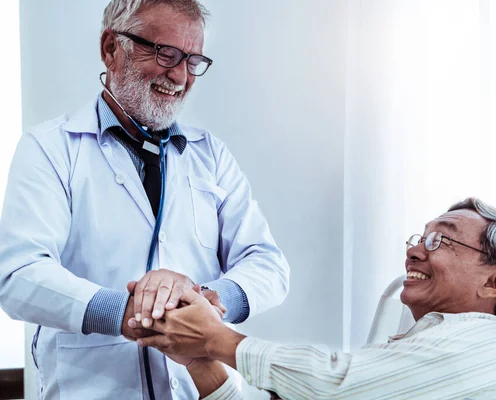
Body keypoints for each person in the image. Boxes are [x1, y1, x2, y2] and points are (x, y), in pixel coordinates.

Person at [0, 0, 289, 399]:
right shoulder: (49, 149)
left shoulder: (212, 156)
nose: (180, 75)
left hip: (201, 390)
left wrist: (202, 303)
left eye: (192, 61)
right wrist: (127, 312)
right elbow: (19, 275)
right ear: (111, 49)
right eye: (165, 53)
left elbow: (268, 264)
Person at [133, 198, 496, 399]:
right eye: (420, 236)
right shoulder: (423, 348)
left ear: (494, 281)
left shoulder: (479, 344)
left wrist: (216, 339)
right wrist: (201, 362)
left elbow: (335, 386)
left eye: (441, 239)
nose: (415, 250)